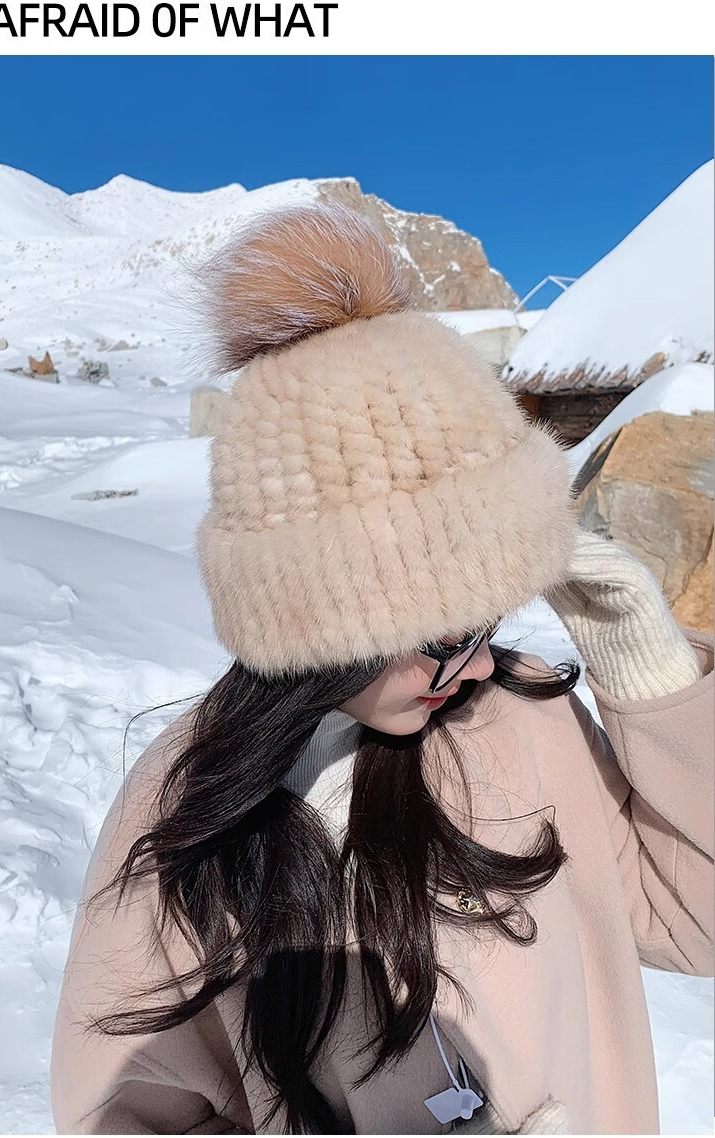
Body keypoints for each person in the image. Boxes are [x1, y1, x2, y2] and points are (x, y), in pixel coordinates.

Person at [50, 203, 714, 1135]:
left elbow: (696, 920)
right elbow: (125, 1113)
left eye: (489, 620)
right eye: (448, 634)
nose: (476, 666)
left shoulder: (524, 721)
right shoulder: (189, 798)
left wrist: (645, 666)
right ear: (329, 625)